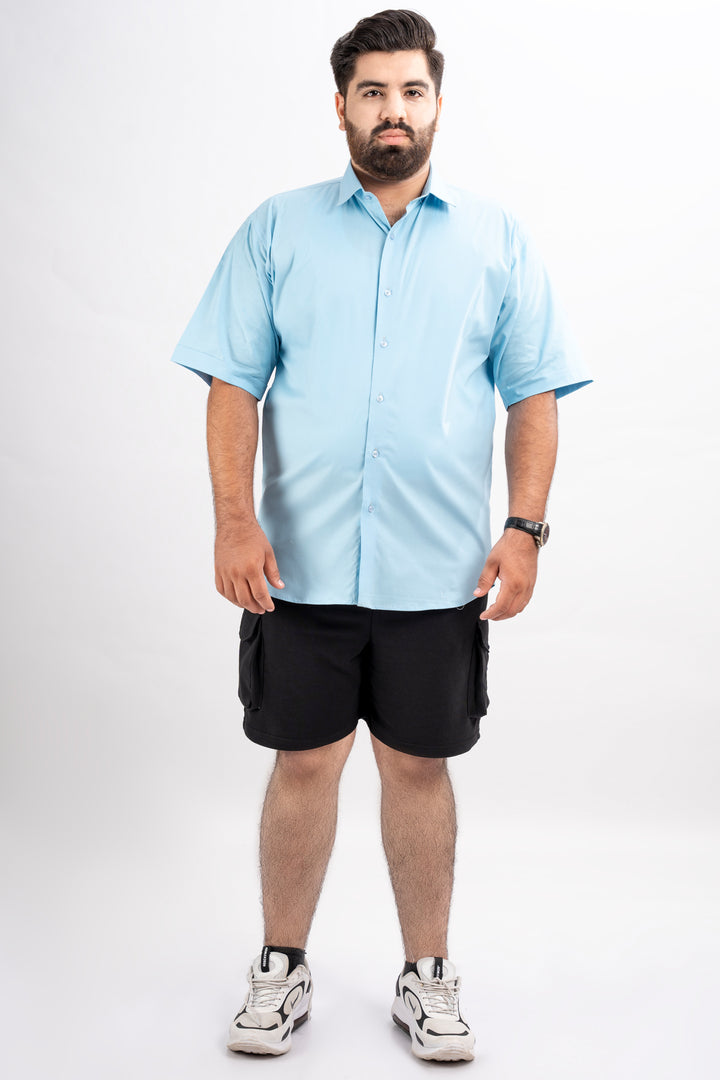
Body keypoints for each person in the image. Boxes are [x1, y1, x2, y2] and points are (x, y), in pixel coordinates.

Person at [170, 8, 592, 1064]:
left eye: (410, 90)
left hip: (438, 574)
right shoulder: (277, 229)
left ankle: (427, 977)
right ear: (342, 108)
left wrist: (525, 529)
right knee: (303, 762)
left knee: (417, 768)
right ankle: (281, 967)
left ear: (437, 103)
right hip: (298, 567)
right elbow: (233, 383)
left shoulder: (497, 240)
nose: (392, 110)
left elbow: (533, 394)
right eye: (372, 92)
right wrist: (233, 521)